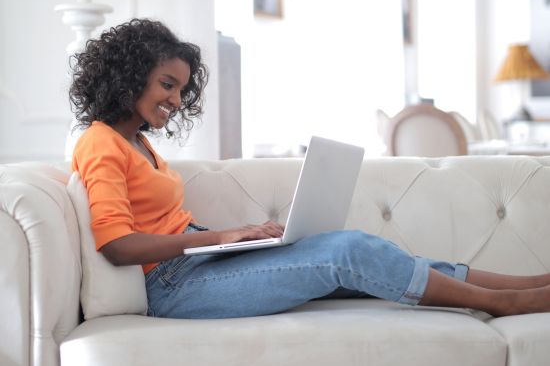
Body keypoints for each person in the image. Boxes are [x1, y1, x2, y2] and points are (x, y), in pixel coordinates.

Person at [70, 18, 550, 320]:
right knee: (348, 251)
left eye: (180, 90)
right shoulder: (100, 143)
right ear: (129, 77)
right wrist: (215, 238)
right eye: (167, 85)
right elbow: (116, 245)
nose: (176, 100)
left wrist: (230, 241)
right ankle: (503, 303)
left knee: (358, 250)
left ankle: (524, 284)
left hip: (194, 266)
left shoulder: (140, 143)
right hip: (172, 288)